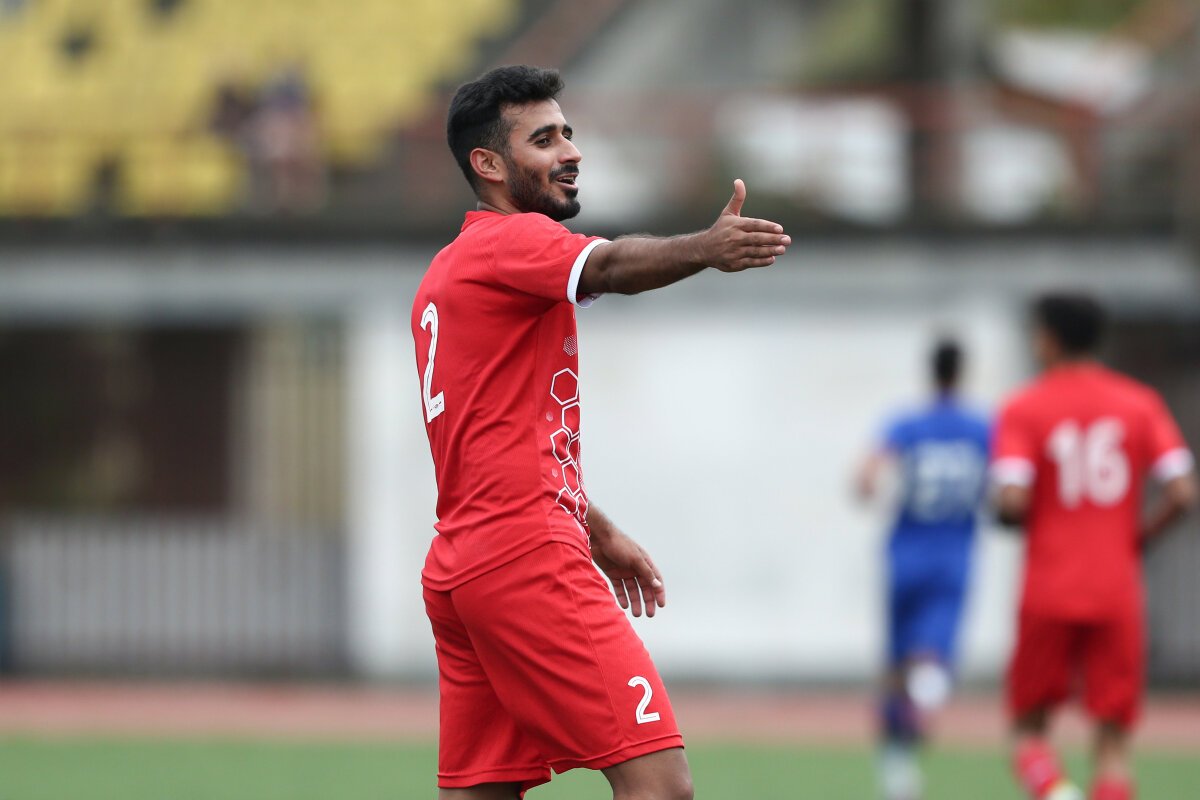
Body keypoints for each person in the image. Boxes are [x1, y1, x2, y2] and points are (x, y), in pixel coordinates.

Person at [410, 65, 790, 800]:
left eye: (568, 133)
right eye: (544, 140)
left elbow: (495, 447)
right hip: (525, 557)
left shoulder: (444, 274)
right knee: (660, 784)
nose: (571, 151)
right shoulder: (511, 242)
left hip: (461, 566)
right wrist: (705, 248)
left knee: (481, 793)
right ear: (488, 165)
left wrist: (597, 528)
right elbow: (608, 265)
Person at [991, 293, 1197, 800]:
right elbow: (1182, 492)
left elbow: (1012, 499)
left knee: (1028, 732)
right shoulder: (1140, 403)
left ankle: (1058, 793)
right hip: (1116, 589)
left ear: (1050, 339)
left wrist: (1008, 513)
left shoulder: (1024, 406)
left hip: (1048, 588)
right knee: (1113, 748)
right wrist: (1140, 537)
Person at [855, 338, 991, 800]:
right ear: (962, 372)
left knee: (896, 662)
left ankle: (897, 761)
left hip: (904, 554)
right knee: (933, 654)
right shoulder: (980, 427)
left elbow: (866, 476)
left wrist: (870, 488)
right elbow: (1006, 482)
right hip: (952, 555)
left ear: (930, 371)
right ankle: (924, 691)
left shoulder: (907, 423)